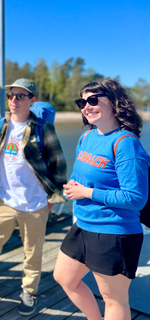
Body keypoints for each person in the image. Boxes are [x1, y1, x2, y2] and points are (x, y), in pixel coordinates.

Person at [0, 79, 67, 316]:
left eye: (20, 96)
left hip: (35, 203)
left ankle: (29, 291)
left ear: (32, 100)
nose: (14, 100)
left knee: (33, 252)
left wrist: (51, 200)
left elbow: (58, 165)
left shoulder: (43, 128)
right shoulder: (0, 125)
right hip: (4, 200)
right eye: (11, 95)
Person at [53, 78, 150, 320]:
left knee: (114, 300)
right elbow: (79, 174)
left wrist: (87, 193)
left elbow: (135, 198)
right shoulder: (87, 137)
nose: (86, 106)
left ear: (115, 103)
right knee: (64, 278)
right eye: (82, 102)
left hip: (114, 232)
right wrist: (73, 185)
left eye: (93, 100)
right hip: (84, 225)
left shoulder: (126, 143)